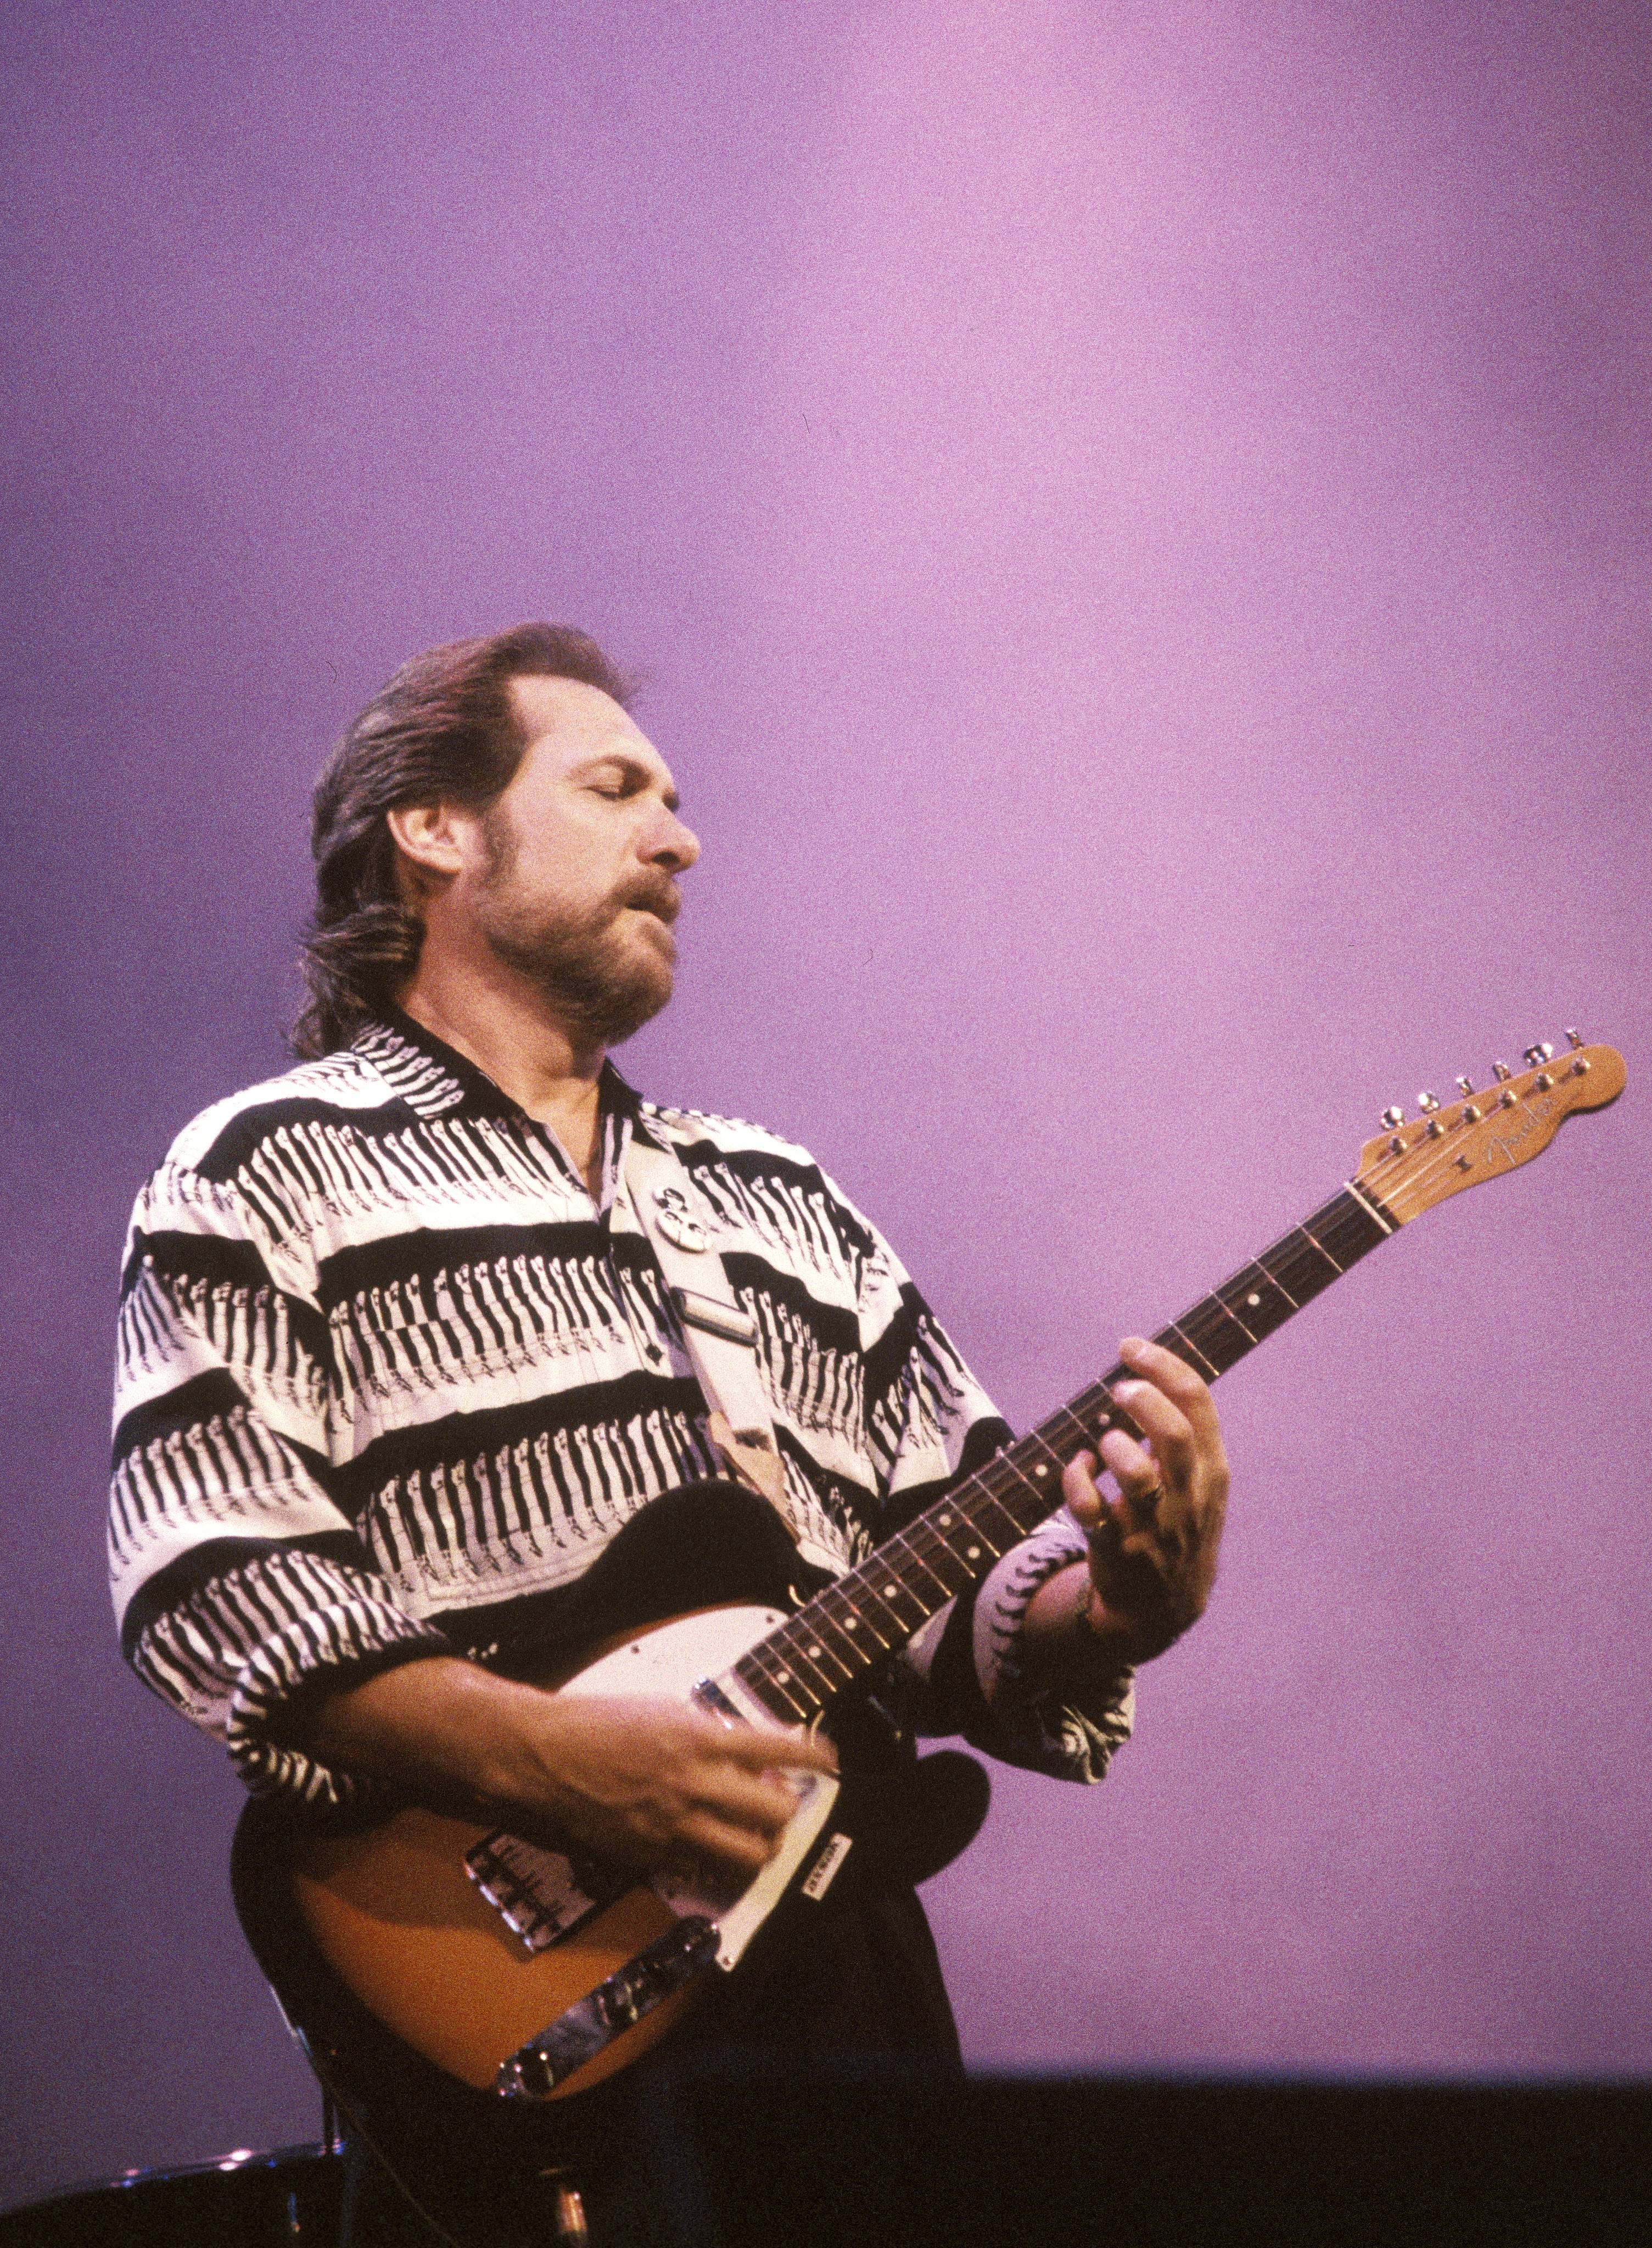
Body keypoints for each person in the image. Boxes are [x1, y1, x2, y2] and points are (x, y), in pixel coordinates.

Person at [108, 622, 1231, 2241]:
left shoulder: (779, 1200)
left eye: (677, 801)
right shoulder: (264, 1170)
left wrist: (1110, 1604)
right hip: (512, 2012)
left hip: (834, 2004)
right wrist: (558, 1761)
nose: (678, 836)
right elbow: (212, 1581)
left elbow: (949, 1585)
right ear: (434, 827)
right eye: (615, 786)